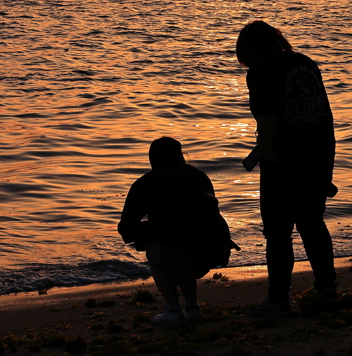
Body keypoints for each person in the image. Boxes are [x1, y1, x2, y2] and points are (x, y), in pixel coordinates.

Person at [236, 20, 337, 317]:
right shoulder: (305, 63)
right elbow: (322, 113)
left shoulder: (261, 70)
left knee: (278, 233)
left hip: (283, 161)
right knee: (312, 223)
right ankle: (326, 291)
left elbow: (267, 118)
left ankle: (278, 301)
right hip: (319, 152)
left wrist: (265, 152)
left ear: (250, 51)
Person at [118, 137, 238, 326]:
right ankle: (192, 308)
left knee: (159, 248)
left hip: (180, 250)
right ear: (181, 155)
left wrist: (144, 234)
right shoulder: (199, 176)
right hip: (212, 250)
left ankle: (173, 309)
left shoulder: (146, 183)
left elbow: (125, 226)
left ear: (152, 159)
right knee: (183, 240)